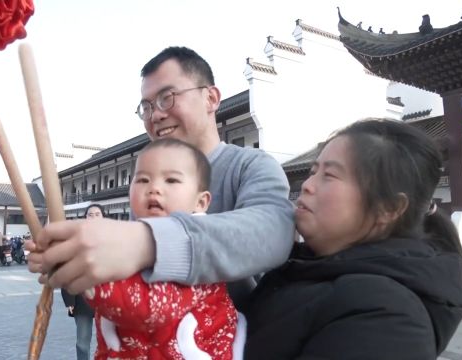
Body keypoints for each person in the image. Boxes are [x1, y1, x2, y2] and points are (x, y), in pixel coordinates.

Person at [28, 46, 294, 308]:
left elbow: (274, 231)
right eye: (146, 106)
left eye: (167, 97)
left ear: (211, 99)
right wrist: (76, 263)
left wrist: (147, 242)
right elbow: (131, 283)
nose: (155, 115)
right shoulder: (145, 182)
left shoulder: (249, 165)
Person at [243, 118, 462, 359]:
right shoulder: (298, 268)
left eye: (329, 175)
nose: (307, 185)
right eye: (312, 172)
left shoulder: (387, 317)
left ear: (389, 207)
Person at [86, 139, 245, 359]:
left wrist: (91, 282)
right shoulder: (126, 240)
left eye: (171, 180)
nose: (154, 188)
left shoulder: (198, 250)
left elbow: (152, 308)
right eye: (142, 179)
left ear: (201, 202)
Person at [61, 204, 105, 360]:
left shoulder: (113, 241)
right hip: (82, 298)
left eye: (97, 214)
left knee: (109, 341)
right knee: (82, 343)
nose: (93, 217)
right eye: (90, 214)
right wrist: (69, 299)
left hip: (108, 299)